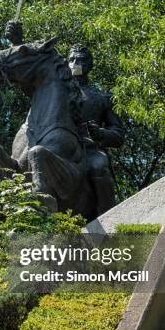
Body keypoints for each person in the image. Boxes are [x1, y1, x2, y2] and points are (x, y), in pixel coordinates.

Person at [68, 44, 125, 214]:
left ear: (90, 65)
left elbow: (118, 135)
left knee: (99, 167)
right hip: (58, 145)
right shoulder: (56, 93)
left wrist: (101, 133)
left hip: (89, 150)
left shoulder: (102, 98)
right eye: (71, 59)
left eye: (81, 60)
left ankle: (107, 218)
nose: (75, 63)